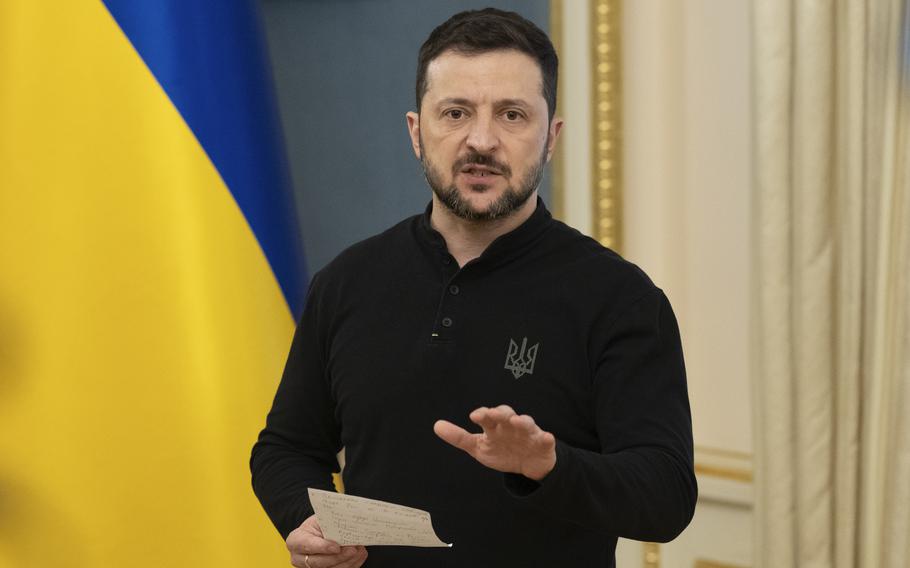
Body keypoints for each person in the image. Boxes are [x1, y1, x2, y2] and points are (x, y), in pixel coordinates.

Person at [251, 8, 696, 568]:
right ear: (417, 132)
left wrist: (548, 464)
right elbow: (286, 448)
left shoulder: (622, 300)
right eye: (455, 113)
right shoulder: (346, 281)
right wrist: (303, 519)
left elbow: (667, 497)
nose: (480, 140)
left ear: (551, 136)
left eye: (511, 115)